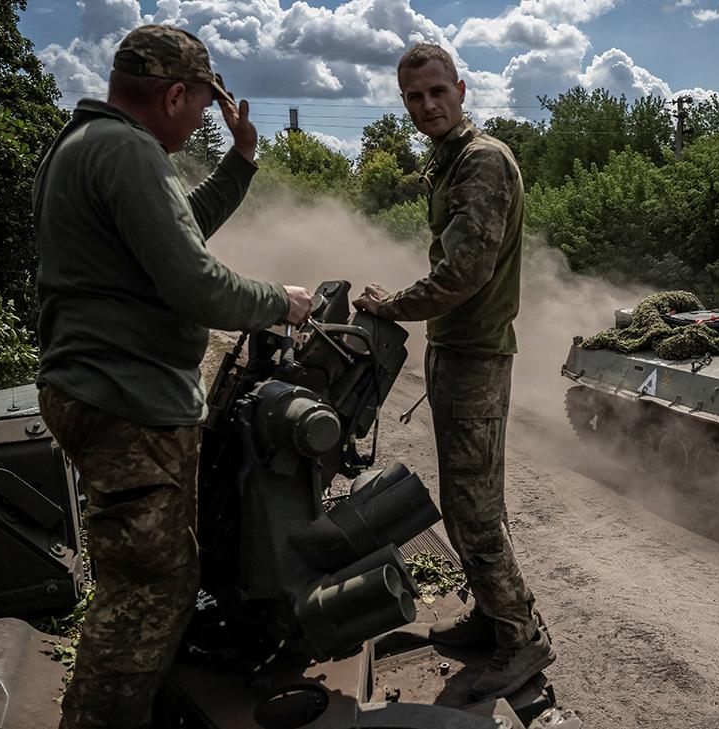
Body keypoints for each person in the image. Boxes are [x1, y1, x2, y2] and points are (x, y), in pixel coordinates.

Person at [32, 25, 312, 729]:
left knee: (157, 579)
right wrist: (283, 301)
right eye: (198, 107)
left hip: (103, 390)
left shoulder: (86, 144)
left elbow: (175, 228)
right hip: (126, 401)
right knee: (145, 594)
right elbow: (194, 280)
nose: (199, 122)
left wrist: (241, 162)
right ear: (176, 93)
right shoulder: (130, 151)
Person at [352, 42, 553, 700]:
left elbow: (465, 271)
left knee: (473, 511)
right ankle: (493, 617)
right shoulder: (450, 163)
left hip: (474, 353)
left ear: (461, 91)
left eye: (438, 91)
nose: (427, 105)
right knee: (467, 499)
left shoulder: (482, 161)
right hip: (457, 350)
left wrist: (395, 306)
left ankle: (521, 638)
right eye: (414, 97)